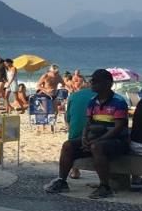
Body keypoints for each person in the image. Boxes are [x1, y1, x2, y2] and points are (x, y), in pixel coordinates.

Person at [45, 68, 130, 199]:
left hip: (116, 141)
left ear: (108, 84)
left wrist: (98, 140)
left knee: (97, 147)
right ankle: (62, 180)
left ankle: (105, 186)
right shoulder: (93, 101)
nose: (92, 83)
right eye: (92, 81)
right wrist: (84, 137)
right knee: (68, 145)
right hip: (95, 138)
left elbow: (118, 128)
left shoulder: (118, 102)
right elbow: (88, 123)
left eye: (96, 81)